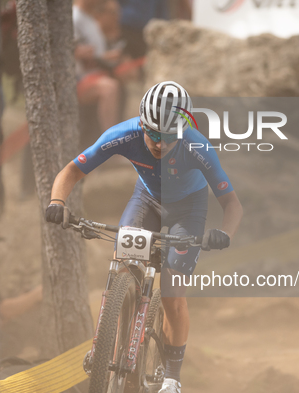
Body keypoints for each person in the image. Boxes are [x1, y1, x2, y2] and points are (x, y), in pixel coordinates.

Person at [45, 81, 243, 393]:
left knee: (172, 293)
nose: (160, 143)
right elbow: (72, 170)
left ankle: (172, 378)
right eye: (153, 133)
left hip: (188, 210)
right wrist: (57, 201)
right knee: (122, 261)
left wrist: (224, 234)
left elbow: (232, 204)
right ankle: (106, 345)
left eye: (169, 136)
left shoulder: (197, 146)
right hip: (147, 200)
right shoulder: (123, 135)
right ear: (141, 123)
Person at [74, 0, 122, 131]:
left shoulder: (90, 19)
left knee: (123, 77)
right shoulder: (75, 18)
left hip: (93, 75)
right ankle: (110, 139)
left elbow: (95, 53)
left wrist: (108, 56)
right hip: (78, 79)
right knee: (110, 88)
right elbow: (76, 53)